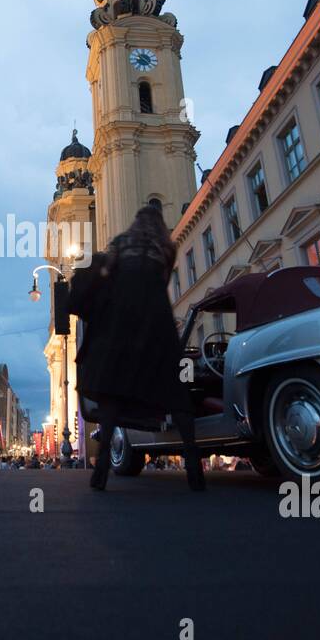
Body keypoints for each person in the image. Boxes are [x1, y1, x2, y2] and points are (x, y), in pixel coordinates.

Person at [70, 204, 206, 492]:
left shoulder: (121, 241)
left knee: (114, 392)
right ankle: (194, 465)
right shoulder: (165, 246)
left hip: (123, 318)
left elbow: (107, 272)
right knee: (174, 390)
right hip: (156, 319)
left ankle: (103, 462)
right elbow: (164, 280)